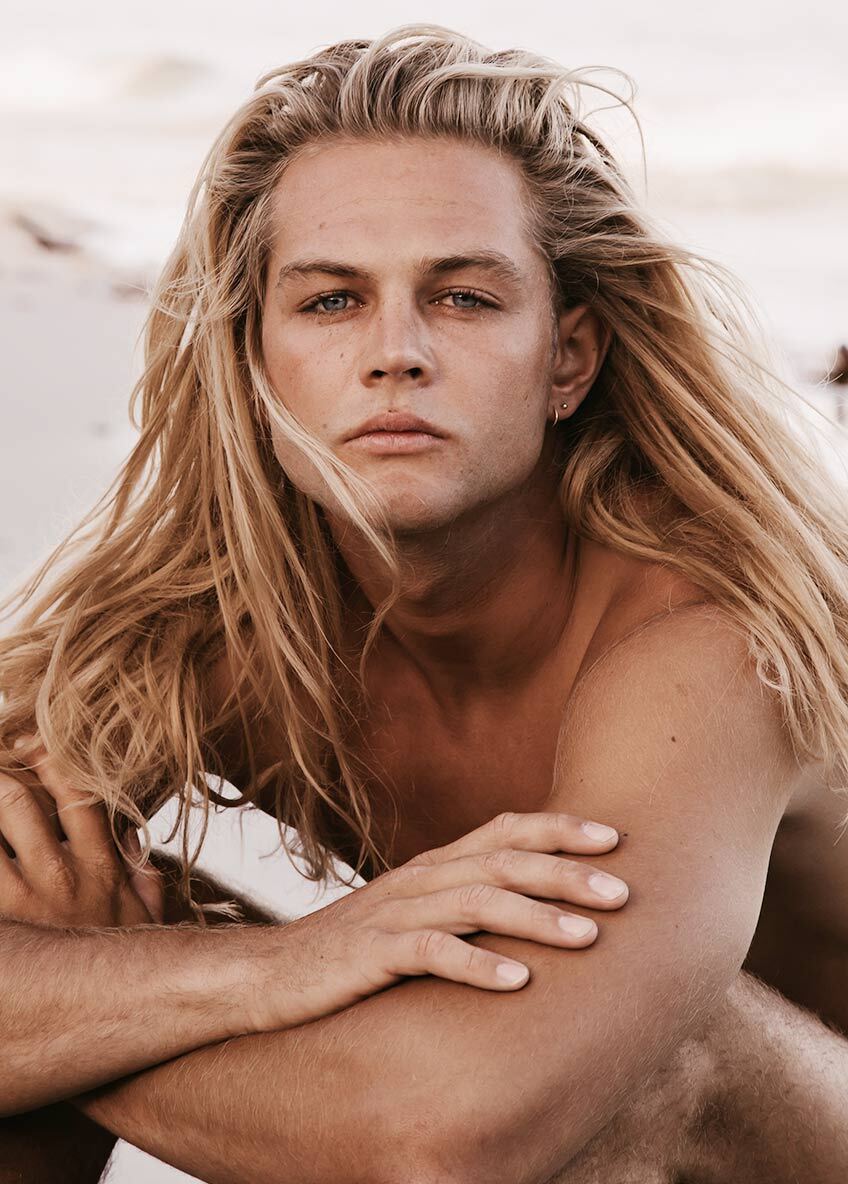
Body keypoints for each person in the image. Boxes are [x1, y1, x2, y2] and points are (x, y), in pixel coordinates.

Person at [1, 22, 848, 1183]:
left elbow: (450, 1131)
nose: (394, 352)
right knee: (62, 903)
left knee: (625, 1051)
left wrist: (90, 1013)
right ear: (252, 364)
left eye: (461, 297)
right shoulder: (215, 633)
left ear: (567, 359)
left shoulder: (702, 631)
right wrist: (259, 968)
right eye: (330, 301)